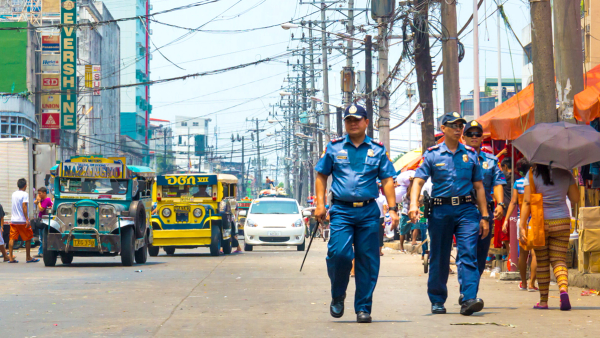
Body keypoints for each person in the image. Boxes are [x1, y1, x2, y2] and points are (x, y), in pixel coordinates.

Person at [315, 103, 399, 323]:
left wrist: (393, 209)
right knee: (339, 255)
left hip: (369, 211)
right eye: (349, 120)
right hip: (341, 210)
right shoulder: (333, 148)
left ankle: (363, 307)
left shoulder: (378, 149)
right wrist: (320, 204)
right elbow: (321, 176)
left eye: (357, 119)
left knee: (368, 260)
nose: (353, 123)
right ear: (345, 123)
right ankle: (338, 293)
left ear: (366, 122)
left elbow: (388, 180)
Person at [409, 112, 490, 316]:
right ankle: (437, 299)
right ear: (443, 129)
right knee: (439, 256)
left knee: (468, 253)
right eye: (453, 125)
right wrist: (413, 205)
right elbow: (418, 180)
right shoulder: (432, 154)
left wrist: (485, 216)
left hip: (466, 211)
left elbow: (479, 187)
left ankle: (469, 298)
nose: (458, 128)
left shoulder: (471, 154)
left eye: (460, 125)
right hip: (440, 210)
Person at [519, 164, 579, 310]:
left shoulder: (532, 173)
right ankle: (563, 290)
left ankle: (544, 301)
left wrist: (522, 225)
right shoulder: (566, 172)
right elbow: (575, 198)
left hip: (540, 223)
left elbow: (527, 201)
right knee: (559, 259)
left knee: (542, 262)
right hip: (562, 222)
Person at [460, 121, 506, 304]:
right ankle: (467, 294)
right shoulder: (458, 158)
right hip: (463, 210)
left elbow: (498, 183)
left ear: (481, 138)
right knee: (466, 252)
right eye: (469, 133)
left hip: (485, 211)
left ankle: (471, 293)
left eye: (477, 134)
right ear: (463, 137)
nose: (473, 137)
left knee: (480, 254)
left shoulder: (491, 161)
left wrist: (501, 204)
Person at [502, 158, 538, 291]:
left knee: (523, 253)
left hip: (521, 220)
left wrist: (506, 220)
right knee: (534, 253)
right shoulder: (536, 182)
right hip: (534, 219)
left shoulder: (517, 183)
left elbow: (513, 202)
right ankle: (532, 284)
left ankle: (523, 282)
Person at [8, 178, 38, 263]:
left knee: (12, 238)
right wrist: (27, 219)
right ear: (25, 186)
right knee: (28, 238)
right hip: (22, 220)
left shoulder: (13, 194)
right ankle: (28, 257)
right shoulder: (25, 194)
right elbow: (24, 206)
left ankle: (10, 257)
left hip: (14, 220)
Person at [400, 177, 419, 253]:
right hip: (408, 213)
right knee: (407, 230)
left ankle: (410, 242)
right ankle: (407, 244)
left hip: (409, 213)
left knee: (414, 227)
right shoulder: (408, 195)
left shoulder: (409, 195)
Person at [34, 187, 53, 257]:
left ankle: (41, 252)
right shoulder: (42, 199)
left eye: (40, 193)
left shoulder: (46, 200)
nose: (39, 195)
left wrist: (39, 202)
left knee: (42, 237)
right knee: (41, 237)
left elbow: (41, 209)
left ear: (44, 193)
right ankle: (40, 251)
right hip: (41, 219)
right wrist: (38, 200)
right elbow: (35, 202)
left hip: (45, 220)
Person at [375, 188, 389, 256]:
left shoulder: (369, 196)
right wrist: (385, 219)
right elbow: (384, 209)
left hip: (371, 218)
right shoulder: (383, 197)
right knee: (380, 235)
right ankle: (379, 251)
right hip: (380, 218)